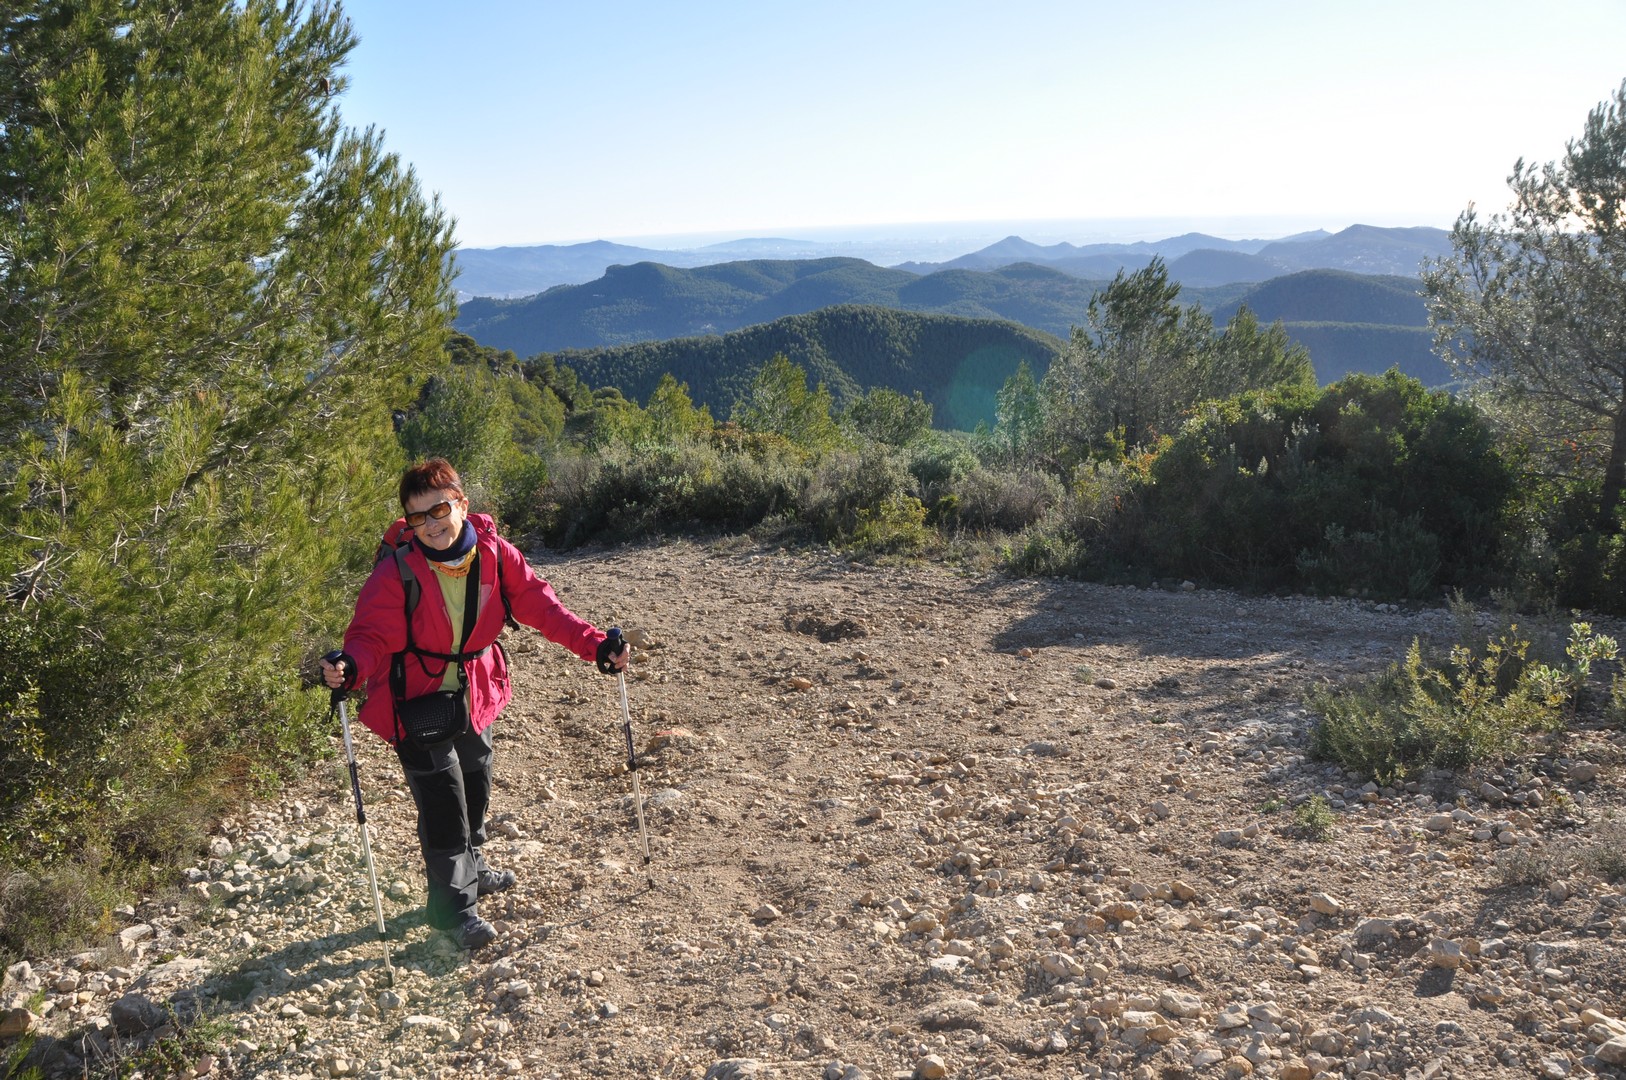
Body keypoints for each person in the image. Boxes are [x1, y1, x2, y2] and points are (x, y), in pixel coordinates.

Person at [321, 458, 627, 950]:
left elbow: (545, 609)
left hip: (476, 692)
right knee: (443, 801)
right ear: (408, 521)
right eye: (418, 517)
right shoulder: (397, 572)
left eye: (440, 510)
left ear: (461, 504)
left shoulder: (496, 556)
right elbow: (369, 636)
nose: (431, 524)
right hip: (414, 700)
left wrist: (596, 646)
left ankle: (474, 868)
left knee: (476, 783)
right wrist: (349, 667)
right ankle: (455, 912)